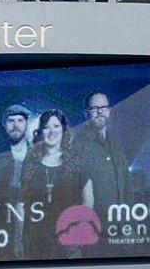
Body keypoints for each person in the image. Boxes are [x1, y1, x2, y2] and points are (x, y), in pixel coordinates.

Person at [18, 108, 94, 259]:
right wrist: (19, 239)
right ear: (40, 131)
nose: (51, 131)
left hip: (68, 239)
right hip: (35, 239)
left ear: (63, 130)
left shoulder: (77, 160)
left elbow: (88, 200)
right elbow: (21, 203)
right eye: (46, 127)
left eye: (56, 126)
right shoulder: (30, 161)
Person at [78, 90, 136, 214]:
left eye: (103, 107)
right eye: (94, 108)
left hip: (121, 223)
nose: (99, 112)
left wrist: (131, 224)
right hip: (94, 226)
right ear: (85, 113)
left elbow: (127, 186)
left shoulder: (116, 147)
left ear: (109, 111)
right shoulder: (78, 145)